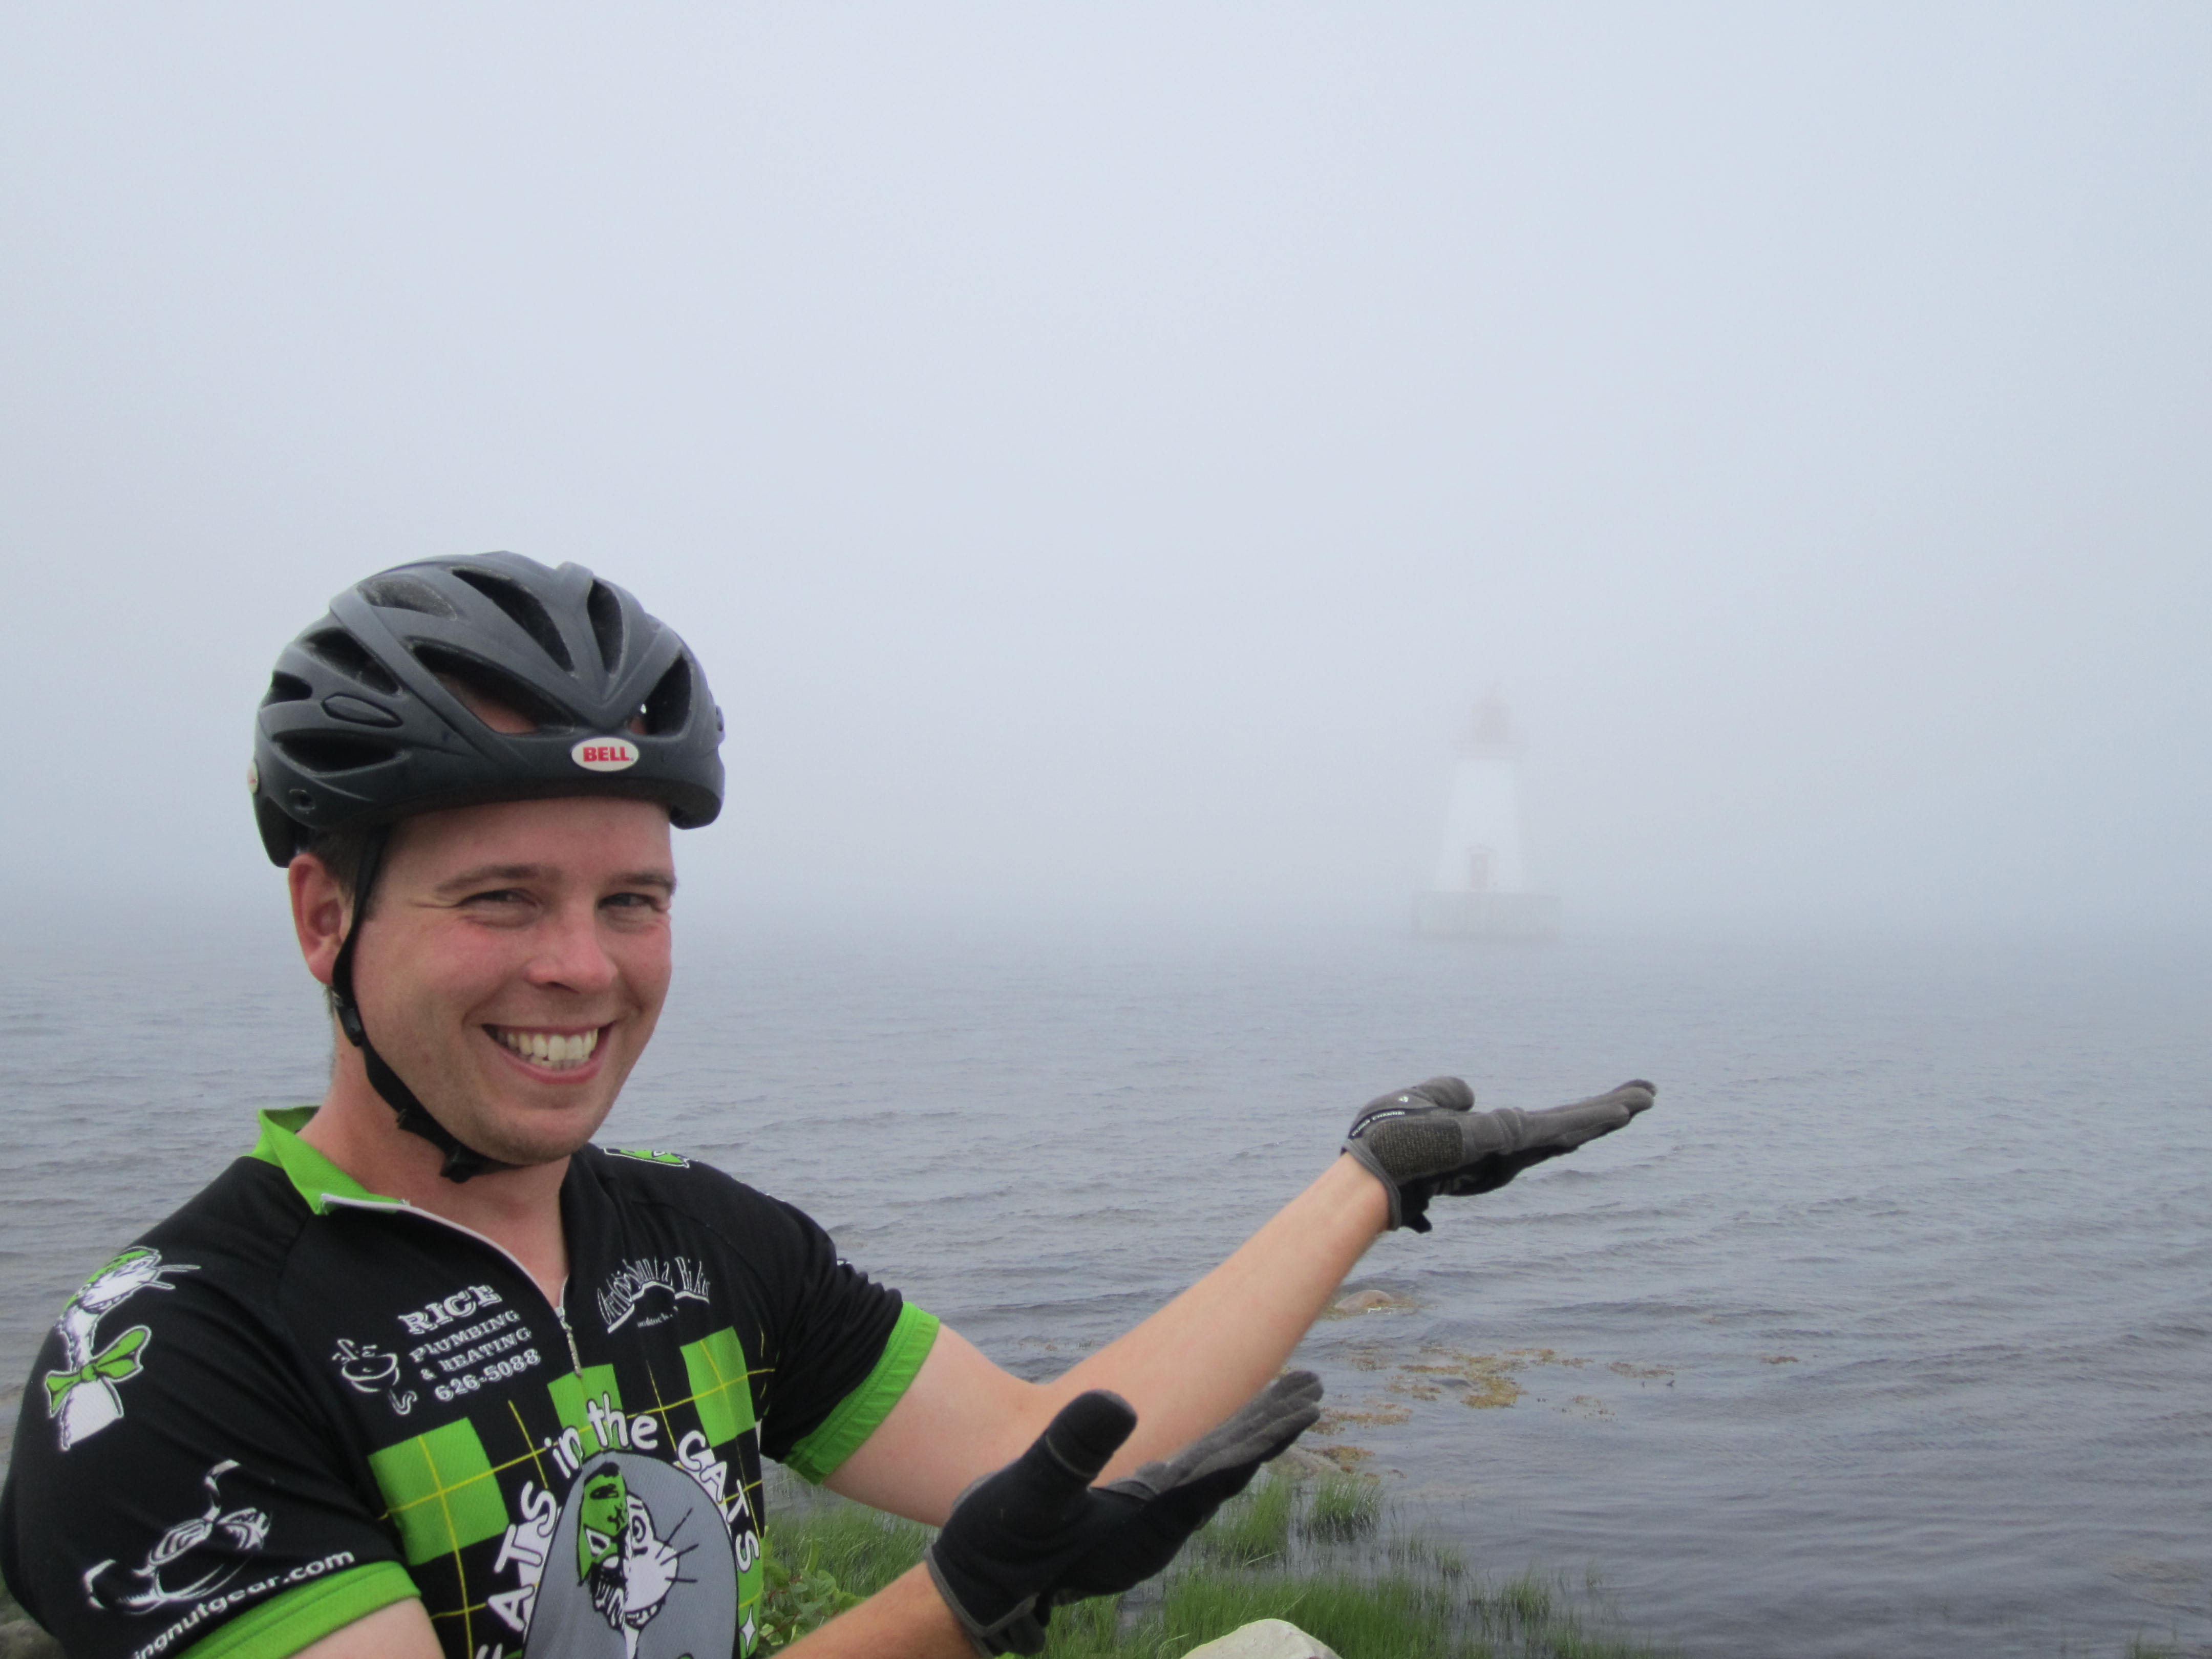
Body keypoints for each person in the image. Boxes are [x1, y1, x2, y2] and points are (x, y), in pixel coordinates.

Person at [0, 552, 1654, 1659]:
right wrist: (948, 1612)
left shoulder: (697, 1245)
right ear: (325, 920)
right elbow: (997, 1546)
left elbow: (1039, 1448)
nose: (581, 967)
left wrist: (1367, 1182)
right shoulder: (166, 1358)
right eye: (500, 899)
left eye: (633, 902)